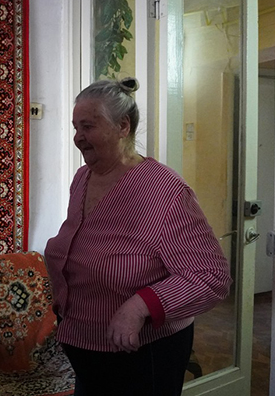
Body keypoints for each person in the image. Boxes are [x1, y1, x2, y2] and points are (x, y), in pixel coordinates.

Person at [44, 78, 232, 396]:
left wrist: (139, 306)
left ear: (123, 126)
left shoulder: (165, 190)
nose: (78, 137)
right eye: (75, 127)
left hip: (143, 356)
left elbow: (211, 276)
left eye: (88, 126)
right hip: (86, 349)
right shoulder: (83, 178)